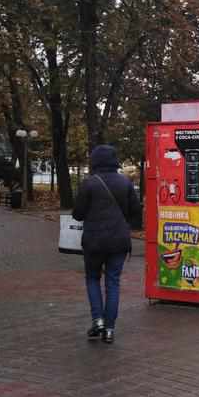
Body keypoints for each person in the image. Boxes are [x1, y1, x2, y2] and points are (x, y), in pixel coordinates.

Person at [72, 144, 142, 344]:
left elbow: (77, 214)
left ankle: (98, 320)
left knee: (93, 279)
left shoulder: (89, 184)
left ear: (95, 162)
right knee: (113, 282)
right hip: (119, 241)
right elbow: (135, 212)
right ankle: (110, 329)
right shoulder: (125, 183)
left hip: (94, 241)